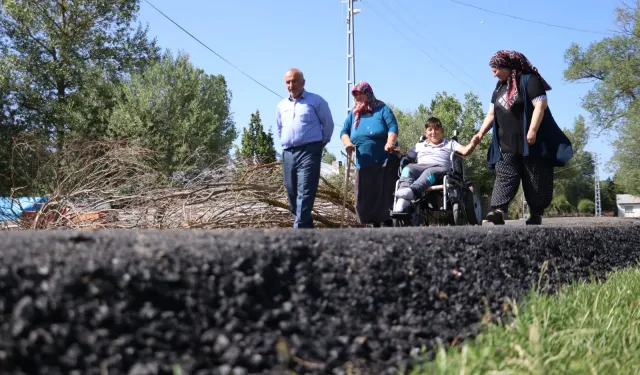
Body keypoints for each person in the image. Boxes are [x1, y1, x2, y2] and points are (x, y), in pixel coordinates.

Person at [472, 50, 573, 225]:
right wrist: (480, 133)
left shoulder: (530, 81)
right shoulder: (499, 88)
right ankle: (498, 211)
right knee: (504, 175)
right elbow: (491, 114)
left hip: (531, 142)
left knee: (535, 178)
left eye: (496, 69)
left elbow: (540, 105)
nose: (494, 74)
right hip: (506, 143)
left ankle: (536, 213)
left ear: (508, 66)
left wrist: (533, 130)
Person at [276, 68, 335, 229]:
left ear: (303, 82)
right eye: (287, 82)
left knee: (305, 194)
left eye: (294, 81)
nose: (291, 85)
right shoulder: (281, 106)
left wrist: (320, 144)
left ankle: (297, 239)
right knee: (292, 195)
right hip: (288, 153)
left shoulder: (316, 101)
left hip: (309, 152)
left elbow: (328, 124)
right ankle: (308, 239)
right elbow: (280, 128)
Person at [340, 81, 400, 227]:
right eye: (355, 95)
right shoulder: (354, 114)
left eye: (360, 94)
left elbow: (393, 126)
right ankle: (373, 230)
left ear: (368, 93)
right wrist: (348, 144)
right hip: (364, 163)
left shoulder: (382, 108)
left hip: (384, 160)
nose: (357, 97)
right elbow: (344, 132)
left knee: (383, 196)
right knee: (365, 198)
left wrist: (390, 142)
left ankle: (388, 228)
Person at [393, 117, 480, 212]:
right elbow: (408, 157)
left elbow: (465, 151)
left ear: (442, 131)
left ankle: (412, 191)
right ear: (425, 133)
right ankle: (402, 201)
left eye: (436, 129)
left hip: (439, 169)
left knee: (429, 172)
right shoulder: (419, 146)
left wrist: (472, 144)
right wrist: (399, 153)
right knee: (407, 169)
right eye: (430, 129)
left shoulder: (450, 143)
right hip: (420, 167)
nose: (433, 132)